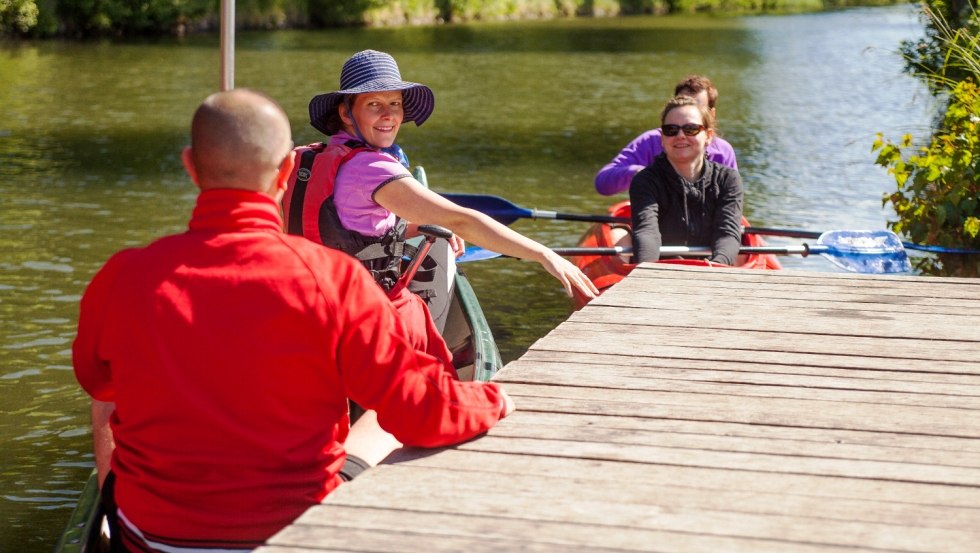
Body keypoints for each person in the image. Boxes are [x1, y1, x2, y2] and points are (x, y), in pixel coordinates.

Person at [72, 88, 514, 552]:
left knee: (108, 395)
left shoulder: (123, 276)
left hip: (154, 538)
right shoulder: (335, 280)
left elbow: (95, 380)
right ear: (285, 172)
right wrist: (491, 400)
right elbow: (421, 410)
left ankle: (108, 521)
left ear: (190, 166)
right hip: (293, 535)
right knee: (384, 418)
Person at [284, 49, 598, 355]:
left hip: (308, 298)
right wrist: (544, 254)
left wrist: (425, 225)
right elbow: (462, 219)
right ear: (345, 112)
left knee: (438, 235)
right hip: (359, 311)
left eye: (395, 103)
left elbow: (342, 228)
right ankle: (425, 355)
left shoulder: (309, 159)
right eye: (374, 104)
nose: (389, 115)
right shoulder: (373, 168)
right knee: (441, 248)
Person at [629, 95, 744, 265]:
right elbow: (647, 233)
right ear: (662, 138)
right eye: (671, 130)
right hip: (662, 270)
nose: (680, 135)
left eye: (690, 129)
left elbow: (727, 234)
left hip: (712, 269)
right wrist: (648, 272)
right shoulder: (644, 180)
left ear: (708, 136)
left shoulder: (728, 179)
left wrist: (716, 268)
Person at [594, 74, 738, 196]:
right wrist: (640, 173)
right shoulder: (650, 141)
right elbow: (603, 183)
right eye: (681, 104)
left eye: (696, 107)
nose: (681, 136)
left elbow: (730, 201)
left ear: (711, 115)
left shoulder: (723, 152)